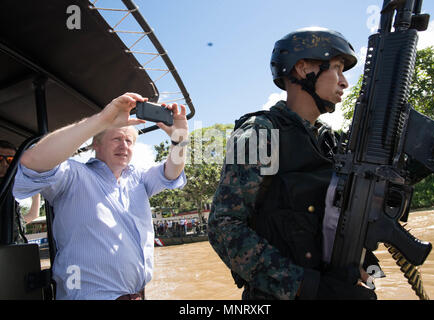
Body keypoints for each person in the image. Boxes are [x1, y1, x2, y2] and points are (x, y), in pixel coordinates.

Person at [208, 28, 378, 300]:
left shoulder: (331, 143)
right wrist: (308, 287)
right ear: (302, 69)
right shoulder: (261, 134)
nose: (345, 82)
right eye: (336, 68)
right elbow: (223, 226)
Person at [13, 93, 188, 300]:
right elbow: (32, 161)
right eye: (116, 139)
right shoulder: (73, 175)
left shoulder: (139, 178)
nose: (124, 146)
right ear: (96, 144)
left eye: (129, 141)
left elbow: (172, 172)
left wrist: (180, 138)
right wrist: (101, 120)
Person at [0, 140, 41, 243]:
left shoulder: (10, 200)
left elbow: (32, 215)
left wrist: (36, 191)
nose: (4, 164)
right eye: (0, 159)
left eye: (10, 160)